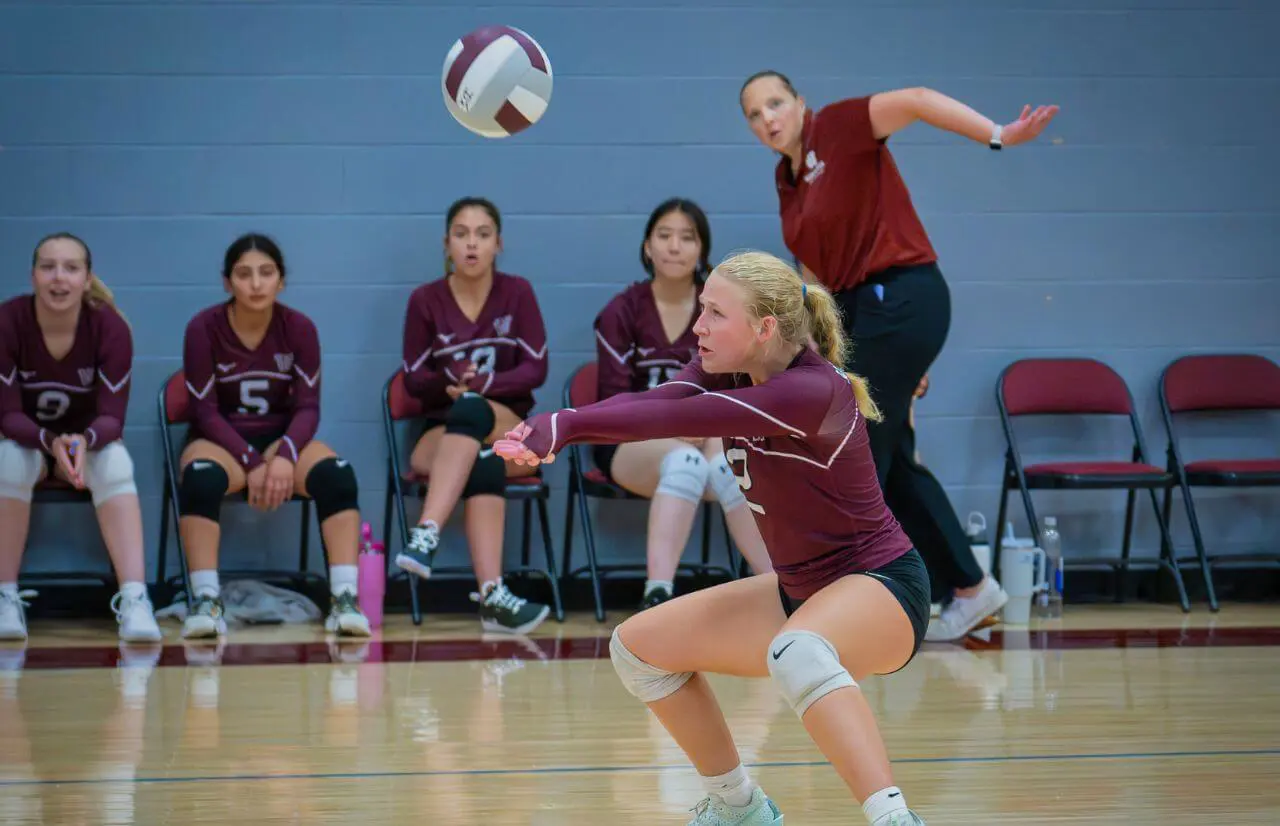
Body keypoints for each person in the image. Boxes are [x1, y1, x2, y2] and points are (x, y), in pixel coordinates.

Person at [497, 251, 933, 826]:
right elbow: (656, 403)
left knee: (796, 651)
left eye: (714, 313)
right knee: (639, 651)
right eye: (701, 308)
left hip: (883, 589)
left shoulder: (811, 391)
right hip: (799, 592)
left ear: (764, 328)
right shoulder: (729, 370)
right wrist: (563, 423)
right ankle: (740, 808)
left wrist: (570, 426)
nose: (698, 325)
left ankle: (895, 820)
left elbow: (678, 420)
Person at [739, 70, 1058, 641]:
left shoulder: (837, 125)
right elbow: (813, 277)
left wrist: (999, 134)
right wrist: (812, 351)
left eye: (776, 103)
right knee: (892, 457)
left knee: (855, 452)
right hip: (864, 315)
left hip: (902, 294)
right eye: (755, 114)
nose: (768, 119)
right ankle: (967, 586)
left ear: (799, 103)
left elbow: (914, 100)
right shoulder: (786, 180)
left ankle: (846, 603)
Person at [176, 233, 370, 640]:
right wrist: (251, 462)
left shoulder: (299, 328)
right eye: (244, 275)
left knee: (338, 475)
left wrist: (282, 456)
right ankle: (207, 601)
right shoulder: (202, 328)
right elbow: (204, 411)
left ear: (281, 280)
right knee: (201, 478)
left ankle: (344, 599)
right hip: (223, 441)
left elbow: (308, 408)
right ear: (227, 283)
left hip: (282, 440)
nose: (256, 283)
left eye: (266, 273)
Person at [594, 198, 771, 608]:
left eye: (687, 238)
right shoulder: (620, 312)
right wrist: (674, 424)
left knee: (732, 464)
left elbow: (739, 389)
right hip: (630, 442)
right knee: (684, 462)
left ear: (702, 251)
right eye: (665, 236)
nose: (675, 246)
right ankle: (656, 595)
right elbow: (614, 402)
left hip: (709, 434)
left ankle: (783, 589)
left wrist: (703, 424)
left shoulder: (725, 312)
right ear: (647, 247)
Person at [393, 197, 552, 635]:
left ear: (498, 243)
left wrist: (481, 386)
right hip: (444, 429)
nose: (471, 244)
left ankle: (426, 532)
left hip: (510, 426)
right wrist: (446, 381)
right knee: (478, 457)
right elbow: (412, 378)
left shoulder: (517, 292)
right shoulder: (425, 300)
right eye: (461, 234)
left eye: (482, 234)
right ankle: (493, 598)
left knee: (472, 410)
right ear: (446, 244)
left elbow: (535, 370)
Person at [0, 233, 162, 643]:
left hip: (87, 444)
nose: (59, 278)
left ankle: (135, 600)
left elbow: (112, 418)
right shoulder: (7, 321)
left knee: (117, 464)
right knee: (8, 463)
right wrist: (49, 441)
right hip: (28, 441)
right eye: (48, 267)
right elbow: (7, 415)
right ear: (33, 275)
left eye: (71, 268)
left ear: (87, 278)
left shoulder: (110, 327)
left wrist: (82, 441)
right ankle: (5, 598)